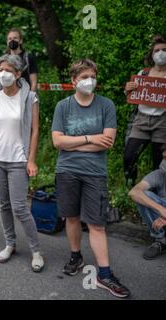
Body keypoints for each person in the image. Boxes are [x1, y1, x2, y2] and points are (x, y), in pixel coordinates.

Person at [51, 59, 130, 298]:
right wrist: (89, 139)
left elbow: (107, 142)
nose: (90, 81)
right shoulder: (62, 107)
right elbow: (57, 142)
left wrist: (73, 143)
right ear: (74, 80)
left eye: (93, 76)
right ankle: (76, 255)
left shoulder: (106, 105)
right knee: (71, 217)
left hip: (95, 173)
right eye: (85, 76)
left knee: (96, 223)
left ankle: (104, 274)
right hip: (67, 171)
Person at [0, 54, 44, 272]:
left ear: (18, 73)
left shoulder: (29, 97)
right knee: (3, 205)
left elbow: (34, 131)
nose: (3, 74)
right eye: (0, 70)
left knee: (20, 208)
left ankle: (36, 251)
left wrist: (31, 159)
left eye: (8, 70)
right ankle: (10, 244)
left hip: (18, 160)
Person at [124, 34, 166, 187]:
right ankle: (131, 180)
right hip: (141, 120)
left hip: (162, 123)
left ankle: (156, 191)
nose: (161, 53)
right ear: (152, 54)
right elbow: (131, 96)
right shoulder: (143, 73)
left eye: (164, 50)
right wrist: (128, 89)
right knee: (129, 156)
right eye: (157, 50)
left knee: (158, 162)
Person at [129, 144, 166, 260]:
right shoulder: (160, 174)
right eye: (164, 157)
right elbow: (134, 192)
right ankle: (160, 240)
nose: (164, 161)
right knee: (143, 195)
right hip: (163, 212)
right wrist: (161, 210)